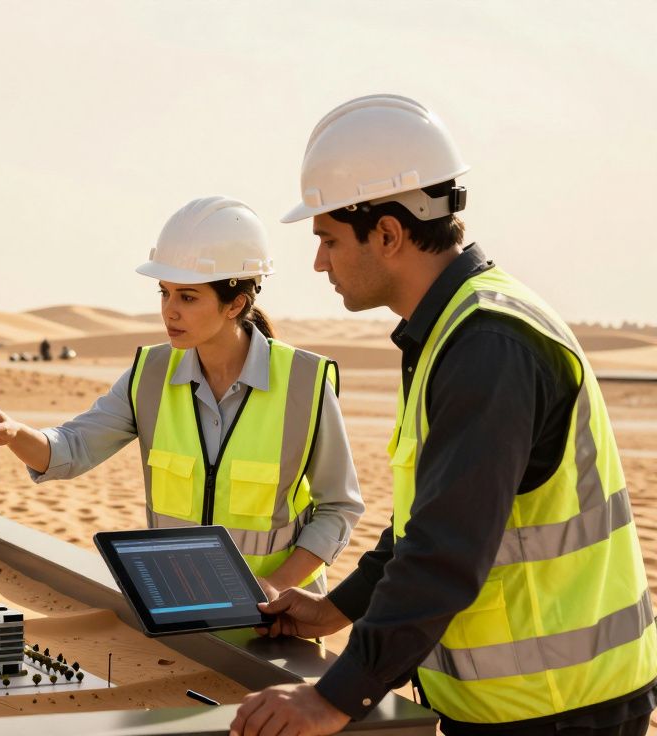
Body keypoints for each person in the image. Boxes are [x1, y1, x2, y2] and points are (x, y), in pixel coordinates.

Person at [232, 95, 657, 736]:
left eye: (328, 239)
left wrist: (334, 698)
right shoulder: (453, 331)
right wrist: (337, 608)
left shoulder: (488, 344)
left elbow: (445, 552)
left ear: (388, 234)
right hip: (522, 705)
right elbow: (427, 520)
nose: (319, 262)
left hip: (557, 710)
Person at [0, 197, 364, 594]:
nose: (169, 311)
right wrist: (14, 432)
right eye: (164, 293)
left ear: (235, 304)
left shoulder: (304, 383)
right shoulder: (150, 375)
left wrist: (276, 586)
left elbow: (338, 507)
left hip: (279, 620)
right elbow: (70, 450)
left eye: (187, 297)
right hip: (179, 608)